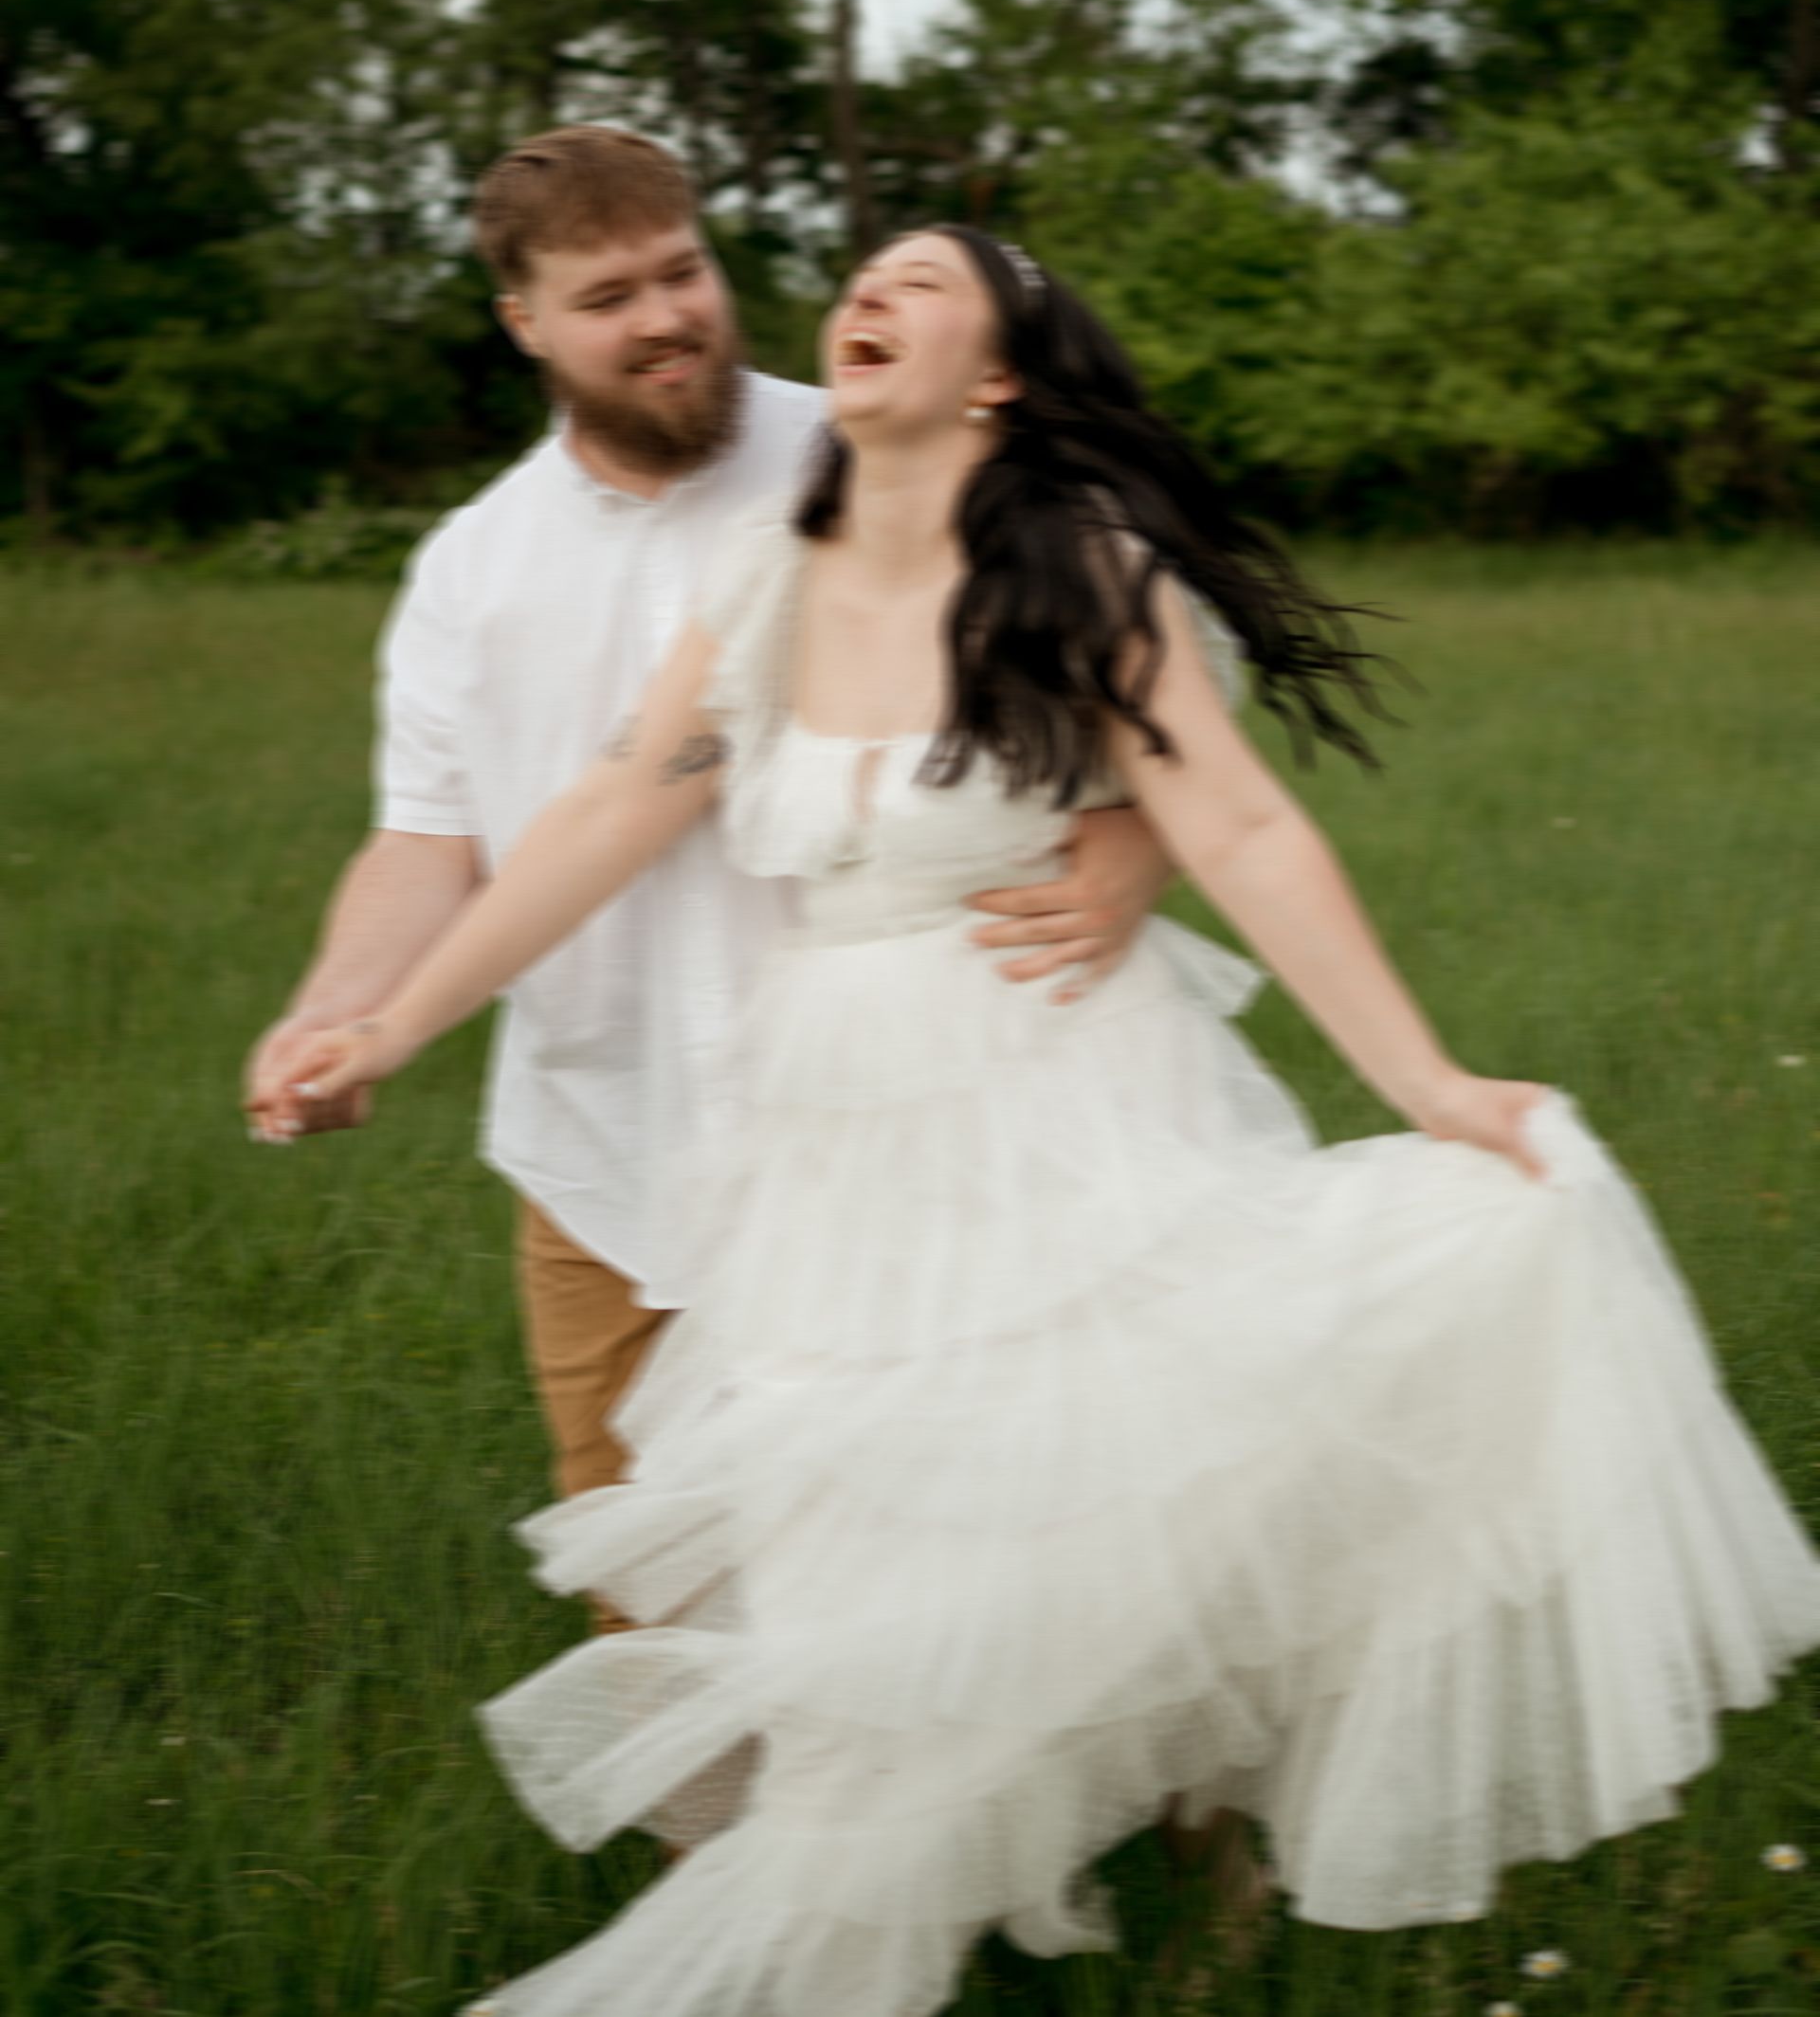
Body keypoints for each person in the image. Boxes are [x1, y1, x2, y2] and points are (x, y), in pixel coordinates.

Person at [275, 225, 1820, 2017]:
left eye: (923, 285)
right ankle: (915, 1901)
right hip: (827, 1150)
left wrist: (1431, 1084)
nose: (868, 296)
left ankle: (1154, 1870)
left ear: (999, 372)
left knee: (1115, 1515)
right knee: (871, 1571)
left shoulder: (1085, 570)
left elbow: (1239, 824)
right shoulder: (777, 567)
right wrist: (391, 1016)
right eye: (860, 278)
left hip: (1060, 1100)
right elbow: (615, 807)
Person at [242, 136, 1173, 1543]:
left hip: (897, 1127)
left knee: (978, 1558)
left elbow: (1137, 664)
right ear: (527, 323)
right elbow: (430, 843)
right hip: (605, 1150)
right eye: (610, 295)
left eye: (684, 270)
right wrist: (342, 1012)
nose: (668, 314)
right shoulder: (471, 568)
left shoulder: (881, 444)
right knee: (652, 1575)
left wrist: (1133, 840)